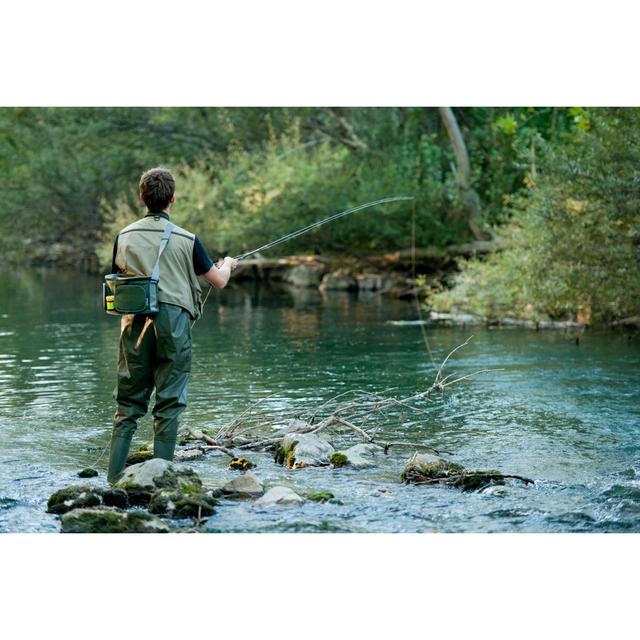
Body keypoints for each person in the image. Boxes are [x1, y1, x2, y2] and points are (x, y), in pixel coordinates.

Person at [106, 167, 237, 483]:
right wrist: (229, 264)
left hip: (133, 323)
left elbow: (117, 279)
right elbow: (218, 282)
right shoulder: (187, 239)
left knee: (127, 405)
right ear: (172, 199)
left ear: (142, 197)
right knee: (169, 401)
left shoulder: (124, 236)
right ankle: (161, 482)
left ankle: (111, 482)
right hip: (174, 323)